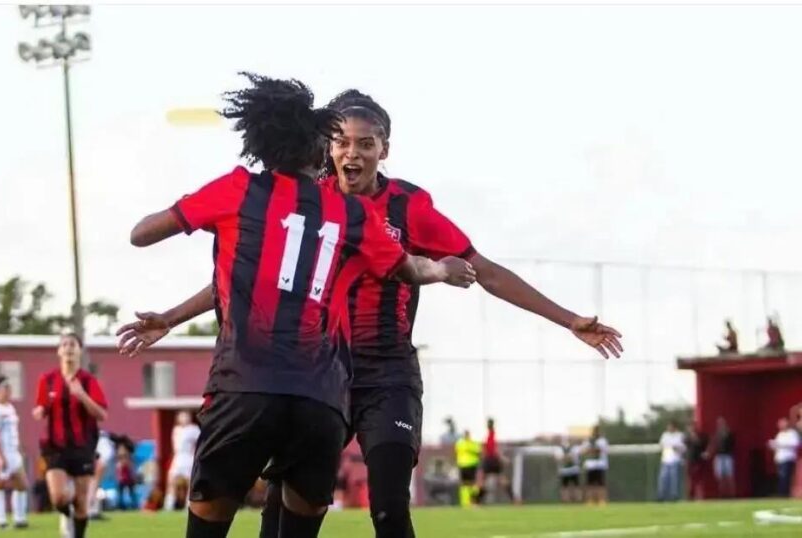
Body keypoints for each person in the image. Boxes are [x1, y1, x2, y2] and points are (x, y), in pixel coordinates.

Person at [119, 88, 623, 538]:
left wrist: (567, 319)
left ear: (385, 149)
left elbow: (483, 270)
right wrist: (173, 317)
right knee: (279, 507)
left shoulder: (405, 207)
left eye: (365, 143)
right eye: (341, 141)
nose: (351, 153)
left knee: (387, 506)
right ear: (325, 146)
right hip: (321, 373)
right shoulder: (315, 202)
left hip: (384, 374)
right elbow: (262, 277)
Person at [125, 72, 476, 538]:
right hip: (319, 400)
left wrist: (198, 212)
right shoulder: (349, 214)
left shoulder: (238, 190)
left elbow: (141, 234)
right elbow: (408, 268)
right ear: (318, 150)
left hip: (243, 391)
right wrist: (442, 269)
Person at [33, 332, 108, 538]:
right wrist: (40, 410)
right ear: (59, 351)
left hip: (82, 446)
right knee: (58, 498)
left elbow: (102, 414)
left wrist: (82, 396)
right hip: (54, 446)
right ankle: (66, 512)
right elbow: (41, 406)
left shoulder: (88, 381)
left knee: (82, 505)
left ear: (79, 351)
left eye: (72, 344)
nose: (68, 348)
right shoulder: (47, 379)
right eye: (64, 344)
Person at [0, 376, 29, 529]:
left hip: (12, 450)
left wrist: (19, 448)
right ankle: (0, 520)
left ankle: (20, 519)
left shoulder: (10, 407)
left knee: (22, 483)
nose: (9, 391)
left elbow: (14, 431)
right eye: (6, 387)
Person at [164, 411, 200, 510]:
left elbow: (199, 442)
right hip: (178, 458)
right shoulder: (176, 430)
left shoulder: (194, 429)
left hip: (188, 458)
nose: (184, 418)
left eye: (186, 416)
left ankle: (188, 505)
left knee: (190, 482)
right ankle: (168, 505)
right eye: (182, 416)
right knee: (171, 481)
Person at [87, 430, 116, 520]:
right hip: (89, 439)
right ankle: (89, 509)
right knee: (92, 481)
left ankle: (92, 509)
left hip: (96, 438)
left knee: (94, 481)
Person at [769, 418, 800, 497]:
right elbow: (777, 445)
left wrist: (782, 445)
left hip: (788, 458)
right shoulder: (779, 434)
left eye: (783, 424)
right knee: (781, 476)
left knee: (785, 476)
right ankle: (782, 493)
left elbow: (796, 444)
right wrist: (773, 445)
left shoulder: (792, 433)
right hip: (780, 458)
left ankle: (784, 494)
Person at [657, 421, 685, 502]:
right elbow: (661, 445)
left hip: (675, 460)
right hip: (665, 460)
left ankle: (674, 496)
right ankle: (661, 496)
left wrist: (677, 448)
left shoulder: (680, 435)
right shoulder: (665, 435)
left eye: (671, 426)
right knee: (663, 479)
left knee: (674, 480)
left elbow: (683, 448)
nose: (669, 428)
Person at [580, 427, 609, 505]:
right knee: (590, 484)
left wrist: (591, 450)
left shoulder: (602, 441)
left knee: (601, 484)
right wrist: (589, 450)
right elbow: (583, 451)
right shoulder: (587, 441)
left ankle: (601, 500)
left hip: (600, 465)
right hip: (590, 465)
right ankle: (590, 500)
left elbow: (602, 450)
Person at [708, 417, 735, 498]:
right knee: (720, 477)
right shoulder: (716, 435)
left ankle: (732, 494)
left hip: (727, 456)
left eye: (722, 423)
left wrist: (726, 433)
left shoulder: (729, 433)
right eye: (719, 423)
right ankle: (722, 494)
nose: (720, 425)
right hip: (719, 457)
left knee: (729, 476)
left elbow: (732, 443)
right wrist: (709, 452)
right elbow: (713, 445)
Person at [455, 430, 481, 508]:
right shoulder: (471, 443)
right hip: (466, 465)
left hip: (468, 465)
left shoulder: (461, 444)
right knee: (468, 483)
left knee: (468, 484)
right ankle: (468, 502)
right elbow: (479, 452)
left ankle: (469, 501)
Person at [685, 423, 709, 501]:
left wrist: (695, 437)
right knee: (690, 479)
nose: (691, 429)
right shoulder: (687, 437)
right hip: (690, 460)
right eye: (690, 428)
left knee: (699, 479)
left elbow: (703, 445)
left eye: (693, 427)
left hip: (698, 460)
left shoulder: (701, 436)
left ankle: (700, 496)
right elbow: (685, 444)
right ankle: (690, 496)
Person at [555, 436, 581, 503]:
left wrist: (566, 457)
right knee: (564, 486)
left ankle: (577, 500)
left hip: (574, 469)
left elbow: (574, 457)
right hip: (564, 470)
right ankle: (566, 500)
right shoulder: (559, 449)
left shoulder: (574, 448)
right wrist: (567, 457)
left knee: (576, 485)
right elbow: (558, 458)